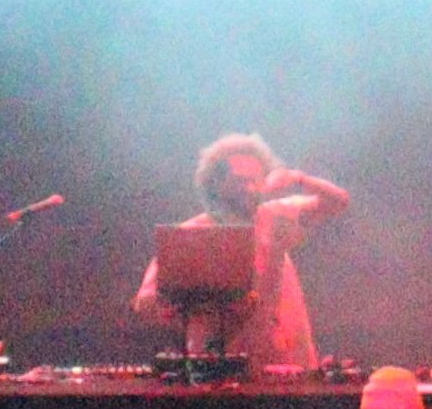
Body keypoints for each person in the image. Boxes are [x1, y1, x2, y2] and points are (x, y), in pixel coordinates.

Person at [129, 132, 348, 375]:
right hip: (222, 372)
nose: (250, 188)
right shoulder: (191, 234)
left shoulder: (277, 215)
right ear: (215, 183)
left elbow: (337, 201)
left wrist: (297, 178)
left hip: (290, 365)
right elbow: (146, 303)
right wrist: (203, 306)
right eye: (240, 180)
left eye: (256, 180)